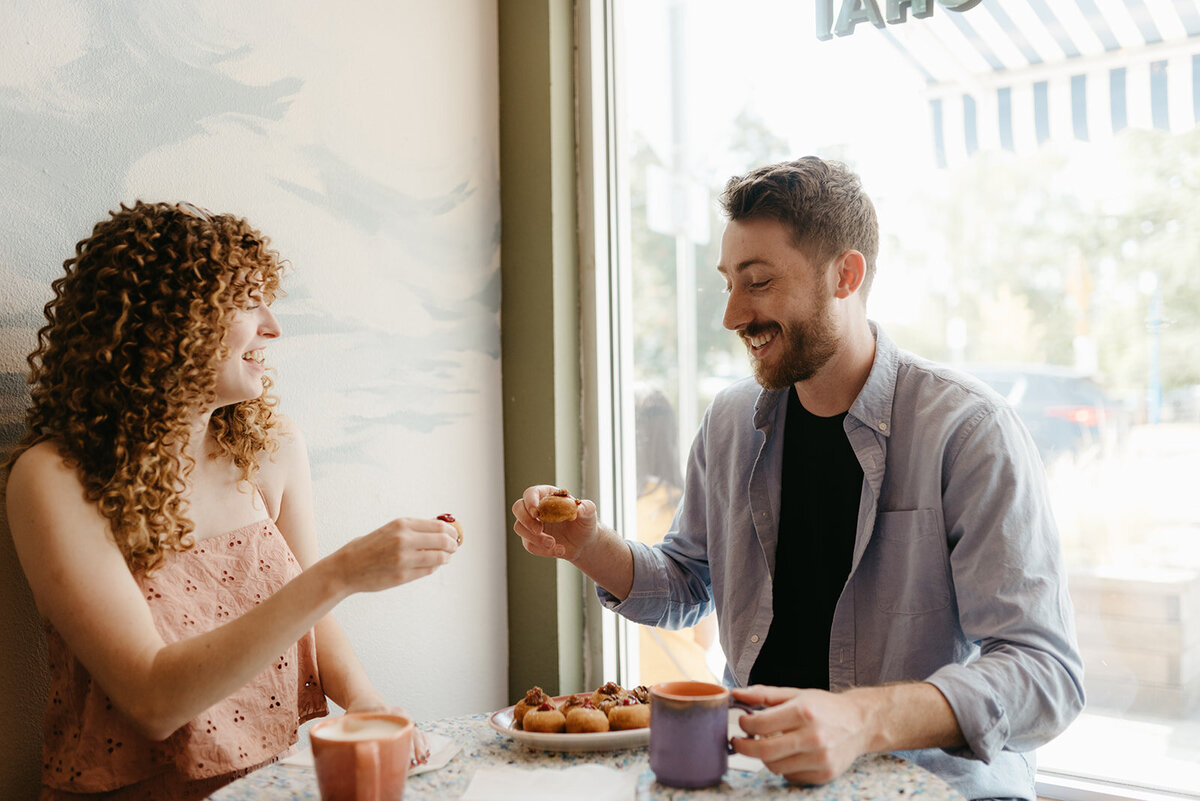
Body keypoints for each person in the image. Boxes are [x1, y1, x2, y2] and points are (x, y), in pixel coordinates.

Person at [512, 157, 1085, 800]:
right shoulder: (731, 422)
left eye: (757, 282)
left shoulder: (969, 429)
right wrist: (588, 545)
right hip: (760, 779)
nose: (732, 315)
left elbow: (1045, 675)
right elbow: (685, 583)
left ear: (846, 275)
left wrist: (862, 719)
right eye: (729, 283)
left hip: (931, 787)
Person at [4, 201, 459, 800]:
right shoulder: (52, 479)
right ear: (169, 322)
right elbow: (152, 701)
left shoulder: (272, 448)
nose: (273, 327)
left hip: (271, 784)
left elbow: (312, 617)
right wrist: (343, 573)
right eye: (247, 303)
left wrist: (366, 702)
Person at [631, 385, 718, 685]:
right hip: (684, 679)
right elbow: (705, 636)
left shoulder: (619, 508)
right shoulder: (680, 507)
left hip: (634, 685)